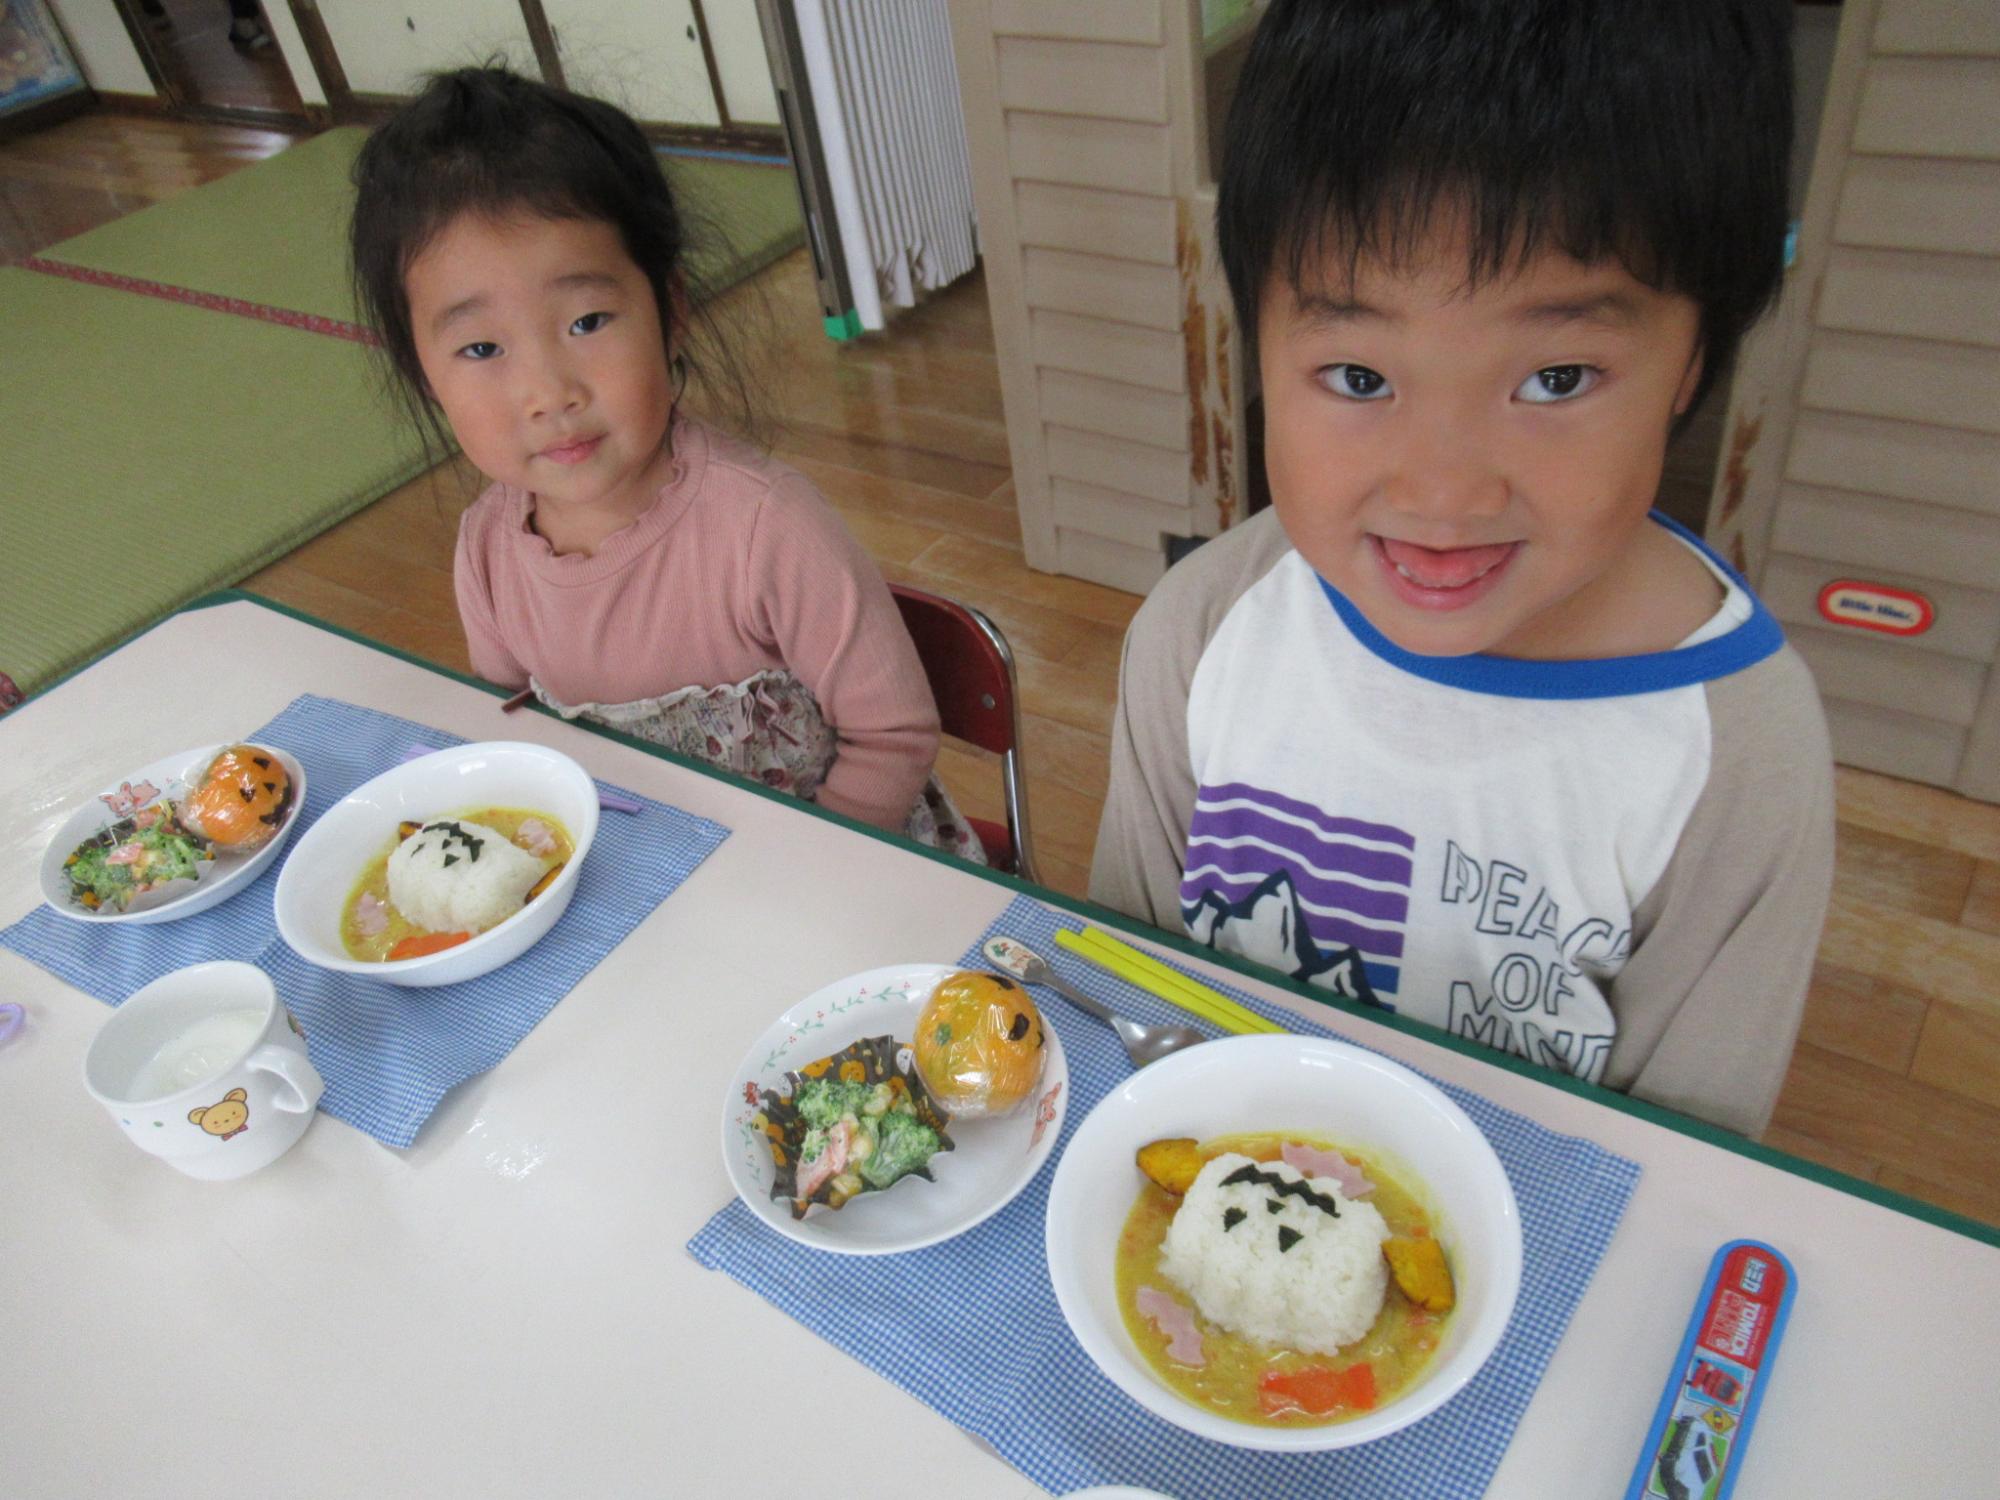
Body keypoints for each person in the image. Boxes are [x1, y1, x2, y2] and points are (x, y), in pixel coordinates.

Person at [1090, 0, 1831, 1134]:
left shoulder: (1737, 754)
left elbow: (1684, 1164)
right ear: (1255, 342)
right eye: (1355, 376)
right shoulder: (1199, 633)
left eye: (1555, 380)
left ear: (1690, 364)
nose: (1440, 497)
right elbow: (1122, 993)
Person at [349, 68, 978, 857]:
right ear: (424, 373)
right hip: (628, 876)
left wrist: (786, 879)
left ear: (669, 312)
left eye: (586, 320)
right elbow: (510, 732)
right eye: (481, 348)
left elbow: (893, 735)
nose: (549, 393)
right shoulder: (486, 550)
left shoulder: (764, 526)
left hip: (829, 871)